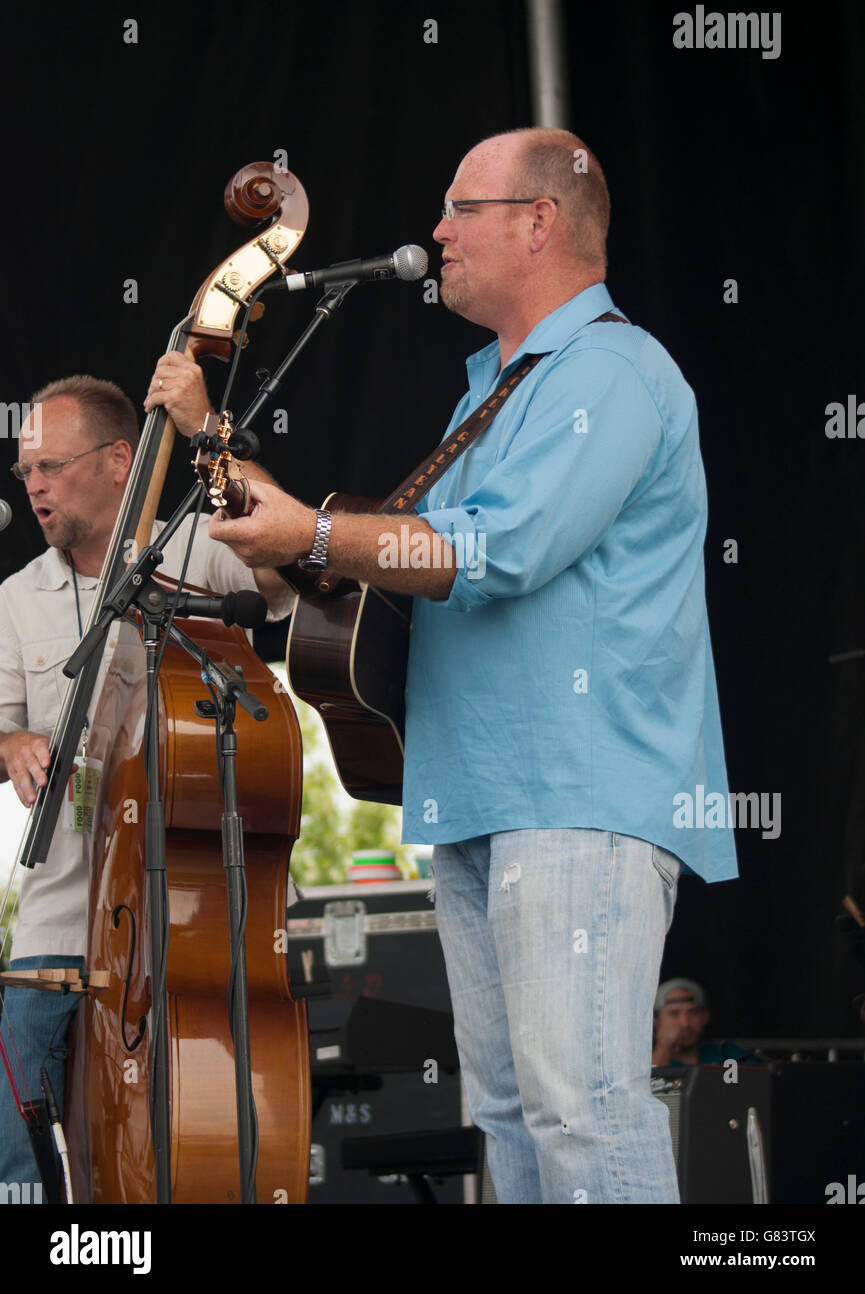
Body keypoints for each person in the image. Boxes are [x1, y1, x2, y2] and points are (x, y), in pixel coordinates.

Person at [209, 127, 739, 1204]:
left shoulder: (614, 370)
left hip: (577, 794)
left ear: (538, 222)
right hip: (477, 795)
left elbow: (491, 551)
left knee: (581, 1106)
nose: (436, 232)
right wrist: (272, 509)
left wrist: (310, 533)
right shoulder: (487, 396)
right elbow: (395, 560)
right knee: (509, 1116)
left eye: (459, 207)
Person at [0, 366, 292, 1198]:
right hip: (62, 907)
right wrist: (12, 739)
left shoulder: (196, 543)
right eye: (25, 473)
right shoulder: (17, 598)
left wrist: (214, 437)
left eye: (49, 467)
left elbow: (293, 568)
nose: (33, 488)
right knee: (13, 1120)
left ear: (121, 460)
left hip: (189, 912)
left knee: (188, 1132)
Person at [652, 978, 754, 1067]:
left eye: (693, 1012)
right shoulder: (640, 1059)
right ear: (656, 1020)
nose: (685, 1023)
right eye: (674, 1014)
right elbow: (647, 1085)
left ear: (705, 1017)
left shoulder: (726, 1054)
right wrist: (663, 1045)